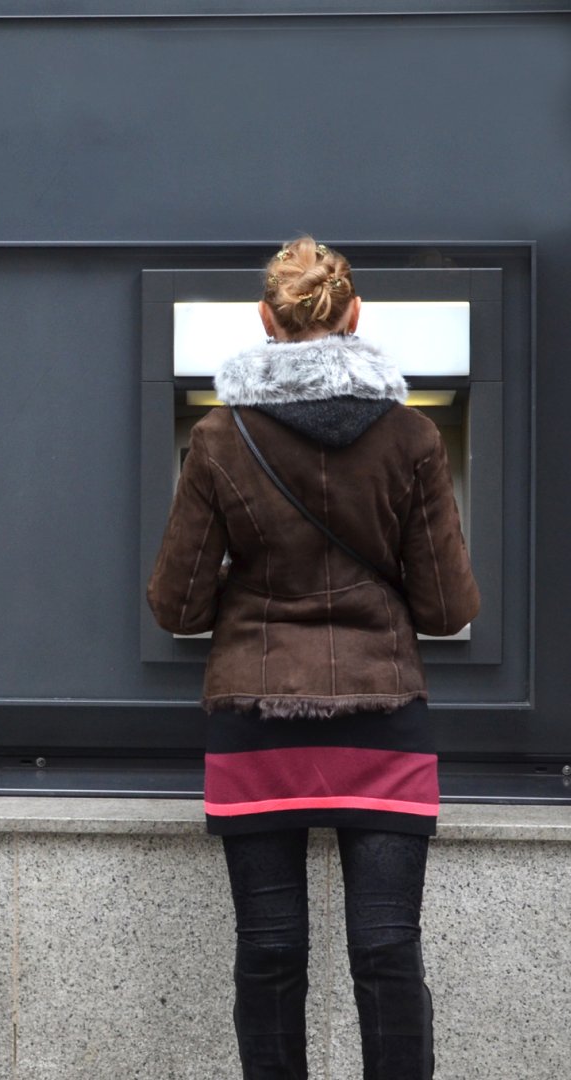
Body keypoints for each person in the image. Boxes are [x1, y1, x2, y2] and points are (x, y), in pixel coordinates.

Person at [146, 236, 479, 1080]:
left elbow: (175, 605)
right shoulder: (412, 438)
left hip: (259, 723)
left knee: (269, 952)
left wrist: (247, 585)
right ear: (355, 314)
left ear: (266, 320)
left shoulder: (220, 439)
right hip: (383, 719)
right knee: (387, 950)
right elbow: (446, 611)